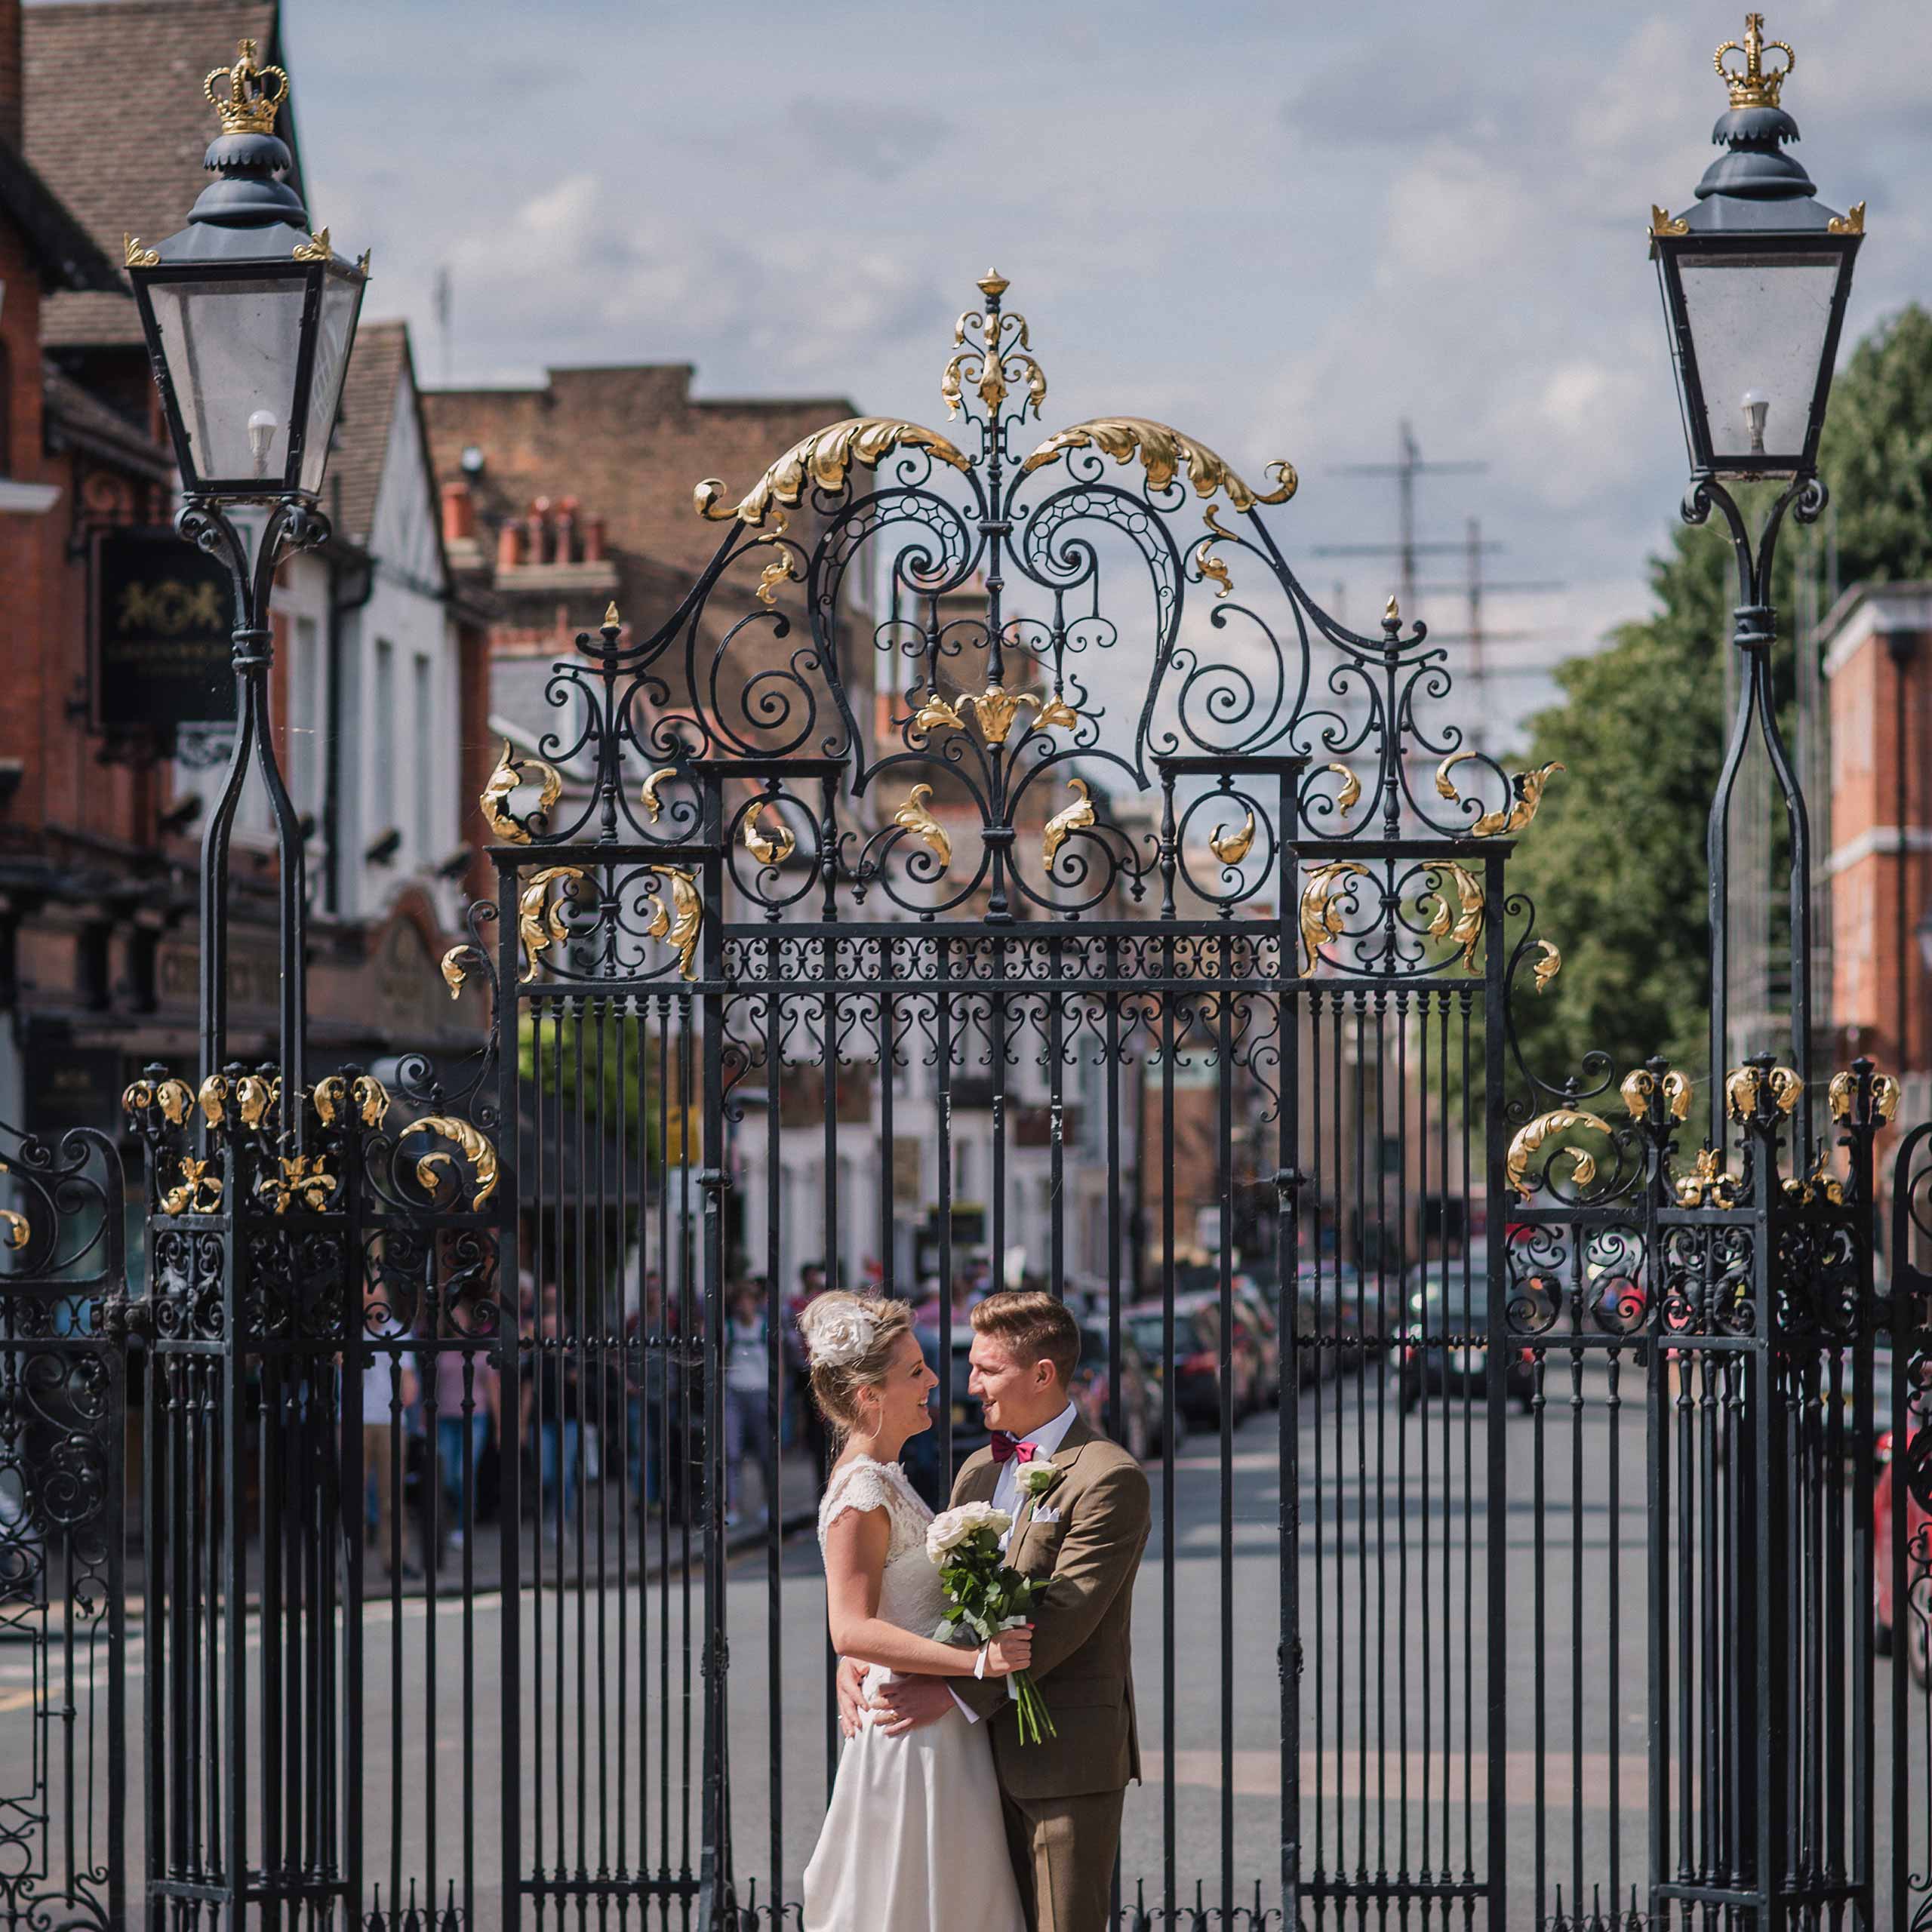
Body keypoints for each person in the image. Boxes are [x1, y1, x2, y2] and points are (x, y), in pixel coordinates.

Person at [838, 1290, 1151, 1932]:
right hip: (966, 1760)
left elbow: (1065, 1614)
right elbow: (936, 1594)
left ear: (1042, 1374)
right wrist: (860, 1651)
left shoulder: (1109, 1476)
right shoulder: (978, 1470)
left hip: (1061, 1757)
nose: (970, 1383)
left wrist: (952, 1695)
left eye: (987, 1369)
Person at [798, 1291, 1033, 1932]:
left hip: (934, 1720)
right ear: (869, 1394)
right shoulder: (861, 1490)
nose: (934, 1380)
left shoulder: (888, 1476)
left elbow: (876, 1612)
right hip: (910, 1726)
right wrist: (976, 1662)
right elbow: (850, 1626)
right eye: (915, 1372)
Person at [361, 1282, 420, 1581]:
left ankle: (395, 1559)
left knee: (391, 1496)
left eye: (378, 1295)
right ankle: (349, 1560)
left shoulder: (397, 1330)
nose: (375, 1300)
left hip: (390, 1419)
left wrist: (408, 1391)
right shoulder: (350, 1330)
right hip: (355, 1418)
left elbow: (408, 1379)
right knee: (352, 1495)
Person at [723, 1281, 771, 1527]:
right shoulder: (729, 1328)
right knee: (732, 1453)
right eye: (739, 1300)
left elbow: (778, 1362)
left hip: (760, 1392)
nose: (744, 1305)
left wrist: (778, 1398)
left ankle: (768, 1501)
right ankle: (733, 1505)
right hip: (734, 1393)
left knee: (765, 1453)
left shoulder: (764, 1327)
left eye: (748, 1300)